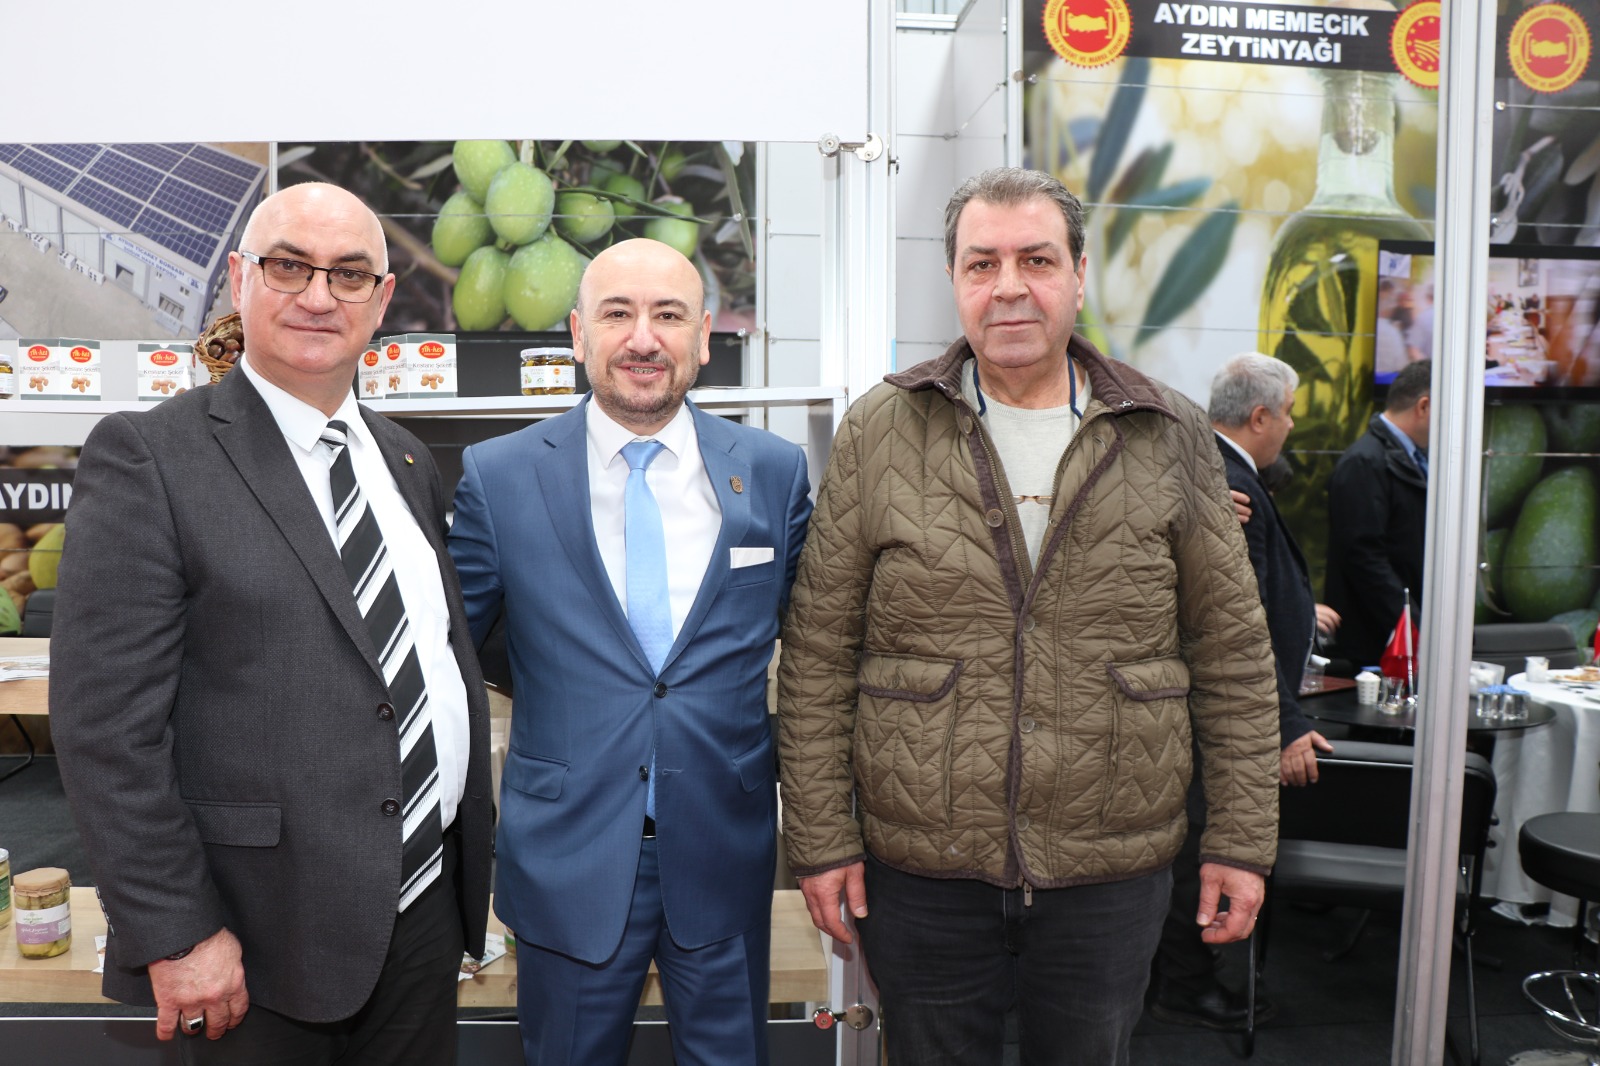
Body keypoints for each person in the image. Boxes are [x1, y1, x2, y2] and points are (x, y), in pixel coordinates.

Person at [776, 167, 1280, 1064]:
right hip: (921, 870)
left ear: (1079, 274)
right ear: (954, 280)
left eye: (1036, 260)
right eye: (983, 264)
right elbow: (819, 652)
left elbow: (1231, 652)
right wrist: (821, 841)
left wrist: (1240, 841)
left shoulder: (1167, 432)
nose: (1008, 286)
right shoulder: (882, 429)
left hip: (1110, 870)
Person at [49, 183, 494, 1064]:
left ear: (383, 300)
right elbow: (105, 729)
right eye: (290, 266)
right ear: (239, 278)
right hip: (253, 941)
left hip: (422, 918)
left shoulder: (406, 459)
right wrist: (178, 932)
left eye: (350, 274)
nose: (319, 296)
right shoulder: (150, 458)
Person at [447, 238, 812, 1066]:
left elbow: (814, 656)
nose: (643, 338)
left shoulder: (773, 472)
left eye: (668, 315)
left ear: (704, 338)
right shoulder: (500, 477)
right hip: (568, 856)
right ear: (579, 334)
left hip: (723, 852)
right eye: (617, 314)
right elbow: (455, 655)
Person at [1148, 353, 1339, 1029]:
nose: (1290, 427)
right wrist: (1284, 722)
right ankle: (1184, 985)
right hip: (1216, 713)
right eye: (1287, 414)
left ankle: (1175, 979)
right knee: (1198, 846)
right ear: (1260, 416)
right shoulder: (1226, 484)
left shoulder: (1216, 473)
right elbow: (1237, 622)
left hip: (1207, 708)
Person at [1325, 358, 1431, 669]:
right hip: (1375, 645)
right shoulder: (1364, 462)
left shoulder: (1414, 458)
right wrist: (1411, 625)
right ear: (1424, 406)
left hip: (1401, 632)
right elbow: (1364, 557)